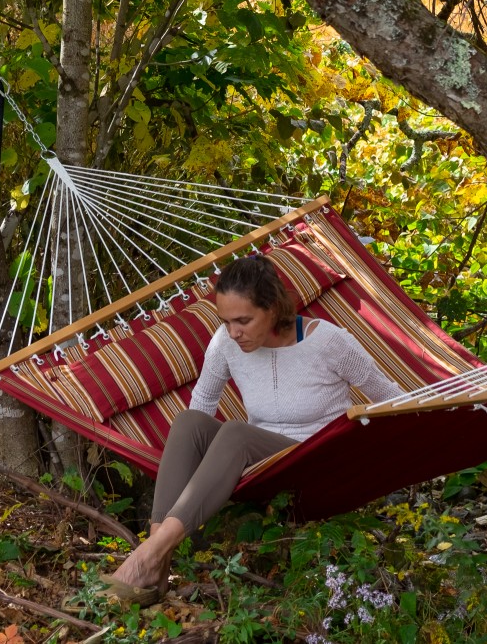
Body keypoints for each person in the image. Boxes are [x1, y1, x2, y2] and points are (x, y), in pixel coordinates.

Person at [99, 254, 403, 603]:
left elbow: (389, 398)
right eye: (226, 321)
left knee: (236, 433)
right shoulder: (226, 343)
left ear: (272, 309)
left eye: (243, 320)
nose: (234, 332)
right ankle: (157, 559)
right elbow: (202, 404)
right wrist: (193, 464)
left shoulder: (328, 342)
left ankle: (146, 557)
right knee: (187, 422)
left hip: (318, 462)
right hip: (261, 465)